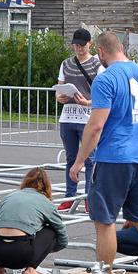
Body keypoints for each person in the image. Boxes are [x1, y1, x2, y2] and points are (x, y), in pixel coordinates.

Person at [69, 31, 138, 273]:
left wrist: (78, 161)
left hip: (113, 159)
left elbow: (95, 126)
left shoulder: (105, 79)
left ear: (102, 52)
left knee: (104, 221)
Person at [0, 168, 68, 274]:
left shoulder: (9, 197)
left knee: (1, 228)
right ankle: (30, 272)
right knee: (51, 231)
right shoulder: (45, 202)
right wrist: (53, 248)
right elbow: (60, 229)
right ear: (47, 186)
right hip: (21, 254)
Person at [56, 28, 103, 212]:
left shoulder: (98, 65)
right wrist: (59, 96)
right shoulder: (66, 64)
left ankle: (88, 198)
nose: (78, 49)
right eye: (76, 45)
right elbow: (59, 89)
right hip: (68, 116)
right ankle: (70, 196)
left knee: (90, 159)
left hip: (87, 118)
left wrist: (88, 102)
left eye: (82, 45)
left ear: (89, 44)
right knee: (70, 158)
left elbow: (102, 94)